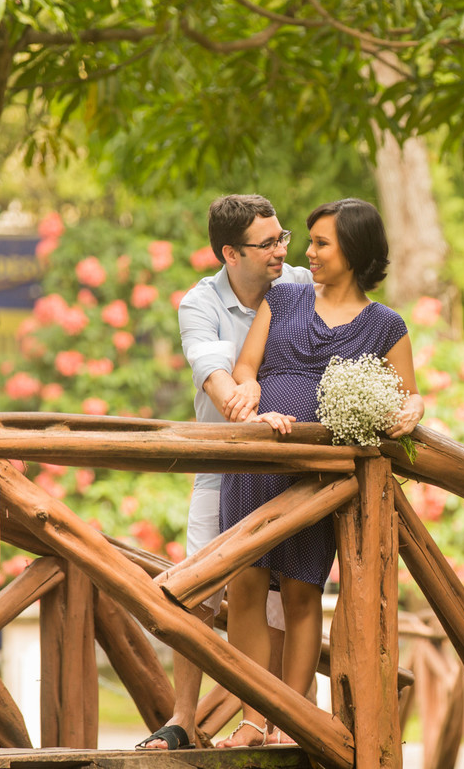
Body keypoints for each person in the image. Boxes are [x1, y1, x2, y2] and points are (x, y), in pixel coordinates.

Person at [215, 198, 423, 748]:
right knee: (246, 585)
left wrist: (414, 410)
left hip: (318, 479)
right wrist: (251, 395)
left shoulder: (386, 326)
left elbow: (409, 395)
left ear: (352, 251)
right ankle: (251, 721)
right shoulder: (282, 298)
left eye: (320, 243)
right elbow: (246, 367)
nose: (307, 252)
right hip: (260, 459)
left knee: (303, 592)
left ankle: (290, 722)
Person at [136, 194, 311, 751]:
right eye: (268, 243)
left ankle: (276, 723)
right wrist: (251, 411)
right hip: (220, 467)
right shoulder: (200, 302)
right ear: (231, 253)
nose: (282, 251)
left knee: (284, 596)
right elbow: (215, 377)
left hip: (290, 470)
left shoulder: (301, 285)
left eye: (283, 238)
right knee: (196, 591)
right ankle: (183, 719)